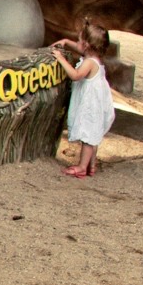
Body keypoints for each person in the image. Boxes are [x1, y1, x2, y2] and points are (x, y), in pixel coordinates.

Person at [51, 18, 116, 177]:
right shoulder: (94, 57)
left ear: (86, 45)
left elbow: (76, 75)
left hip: (90, 104)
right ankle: (90, 165)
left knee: (88, 136)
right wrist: (66, 42)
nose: (76, 42)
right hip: (96, 101)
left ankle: (81, 167)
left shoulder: (89, 63)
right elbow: (80, 48)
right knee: (93, 134)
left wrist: (60, 59)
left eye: (79, 40)